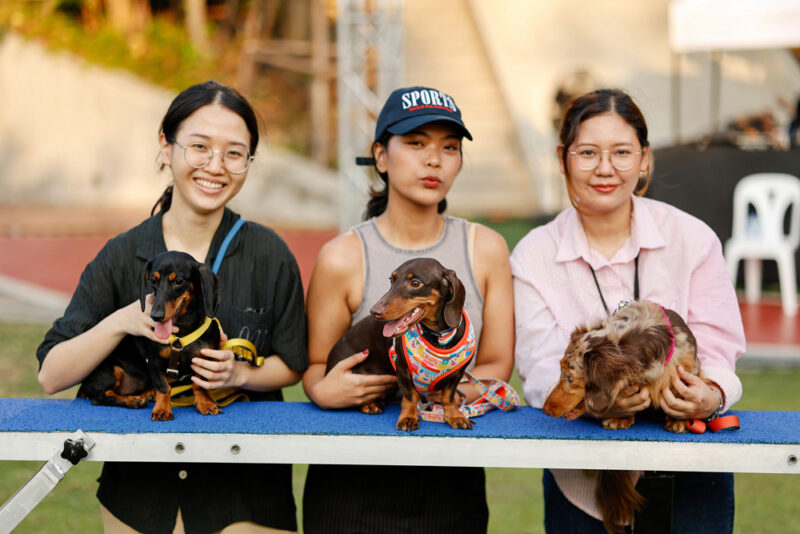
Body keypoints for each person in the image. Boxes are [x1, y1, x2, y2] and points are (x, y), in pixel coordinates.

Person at [36, 81, 307, 534]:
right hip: (140, 498)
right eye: (199, 146)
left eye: (234, 153)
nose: (215, 166)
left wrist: (239, 375)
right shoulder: (121, 255)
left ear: (249, 162)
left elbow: (294, 364)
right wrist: (122, 321)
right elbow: (51, 376)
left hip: (247, 493)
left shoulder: (270, 254)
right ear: (166, 146)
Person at [511, 88, 745, 533]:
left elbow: (719, 348)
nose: (605, 168)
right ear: (562, 159)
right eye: (587, 153)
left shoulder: (692, 238)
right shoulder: (534, 255)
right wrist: (598, 404)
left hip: (692, 478)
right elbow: (540, 372)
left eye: (621, 152)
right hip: (581, 484)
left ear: (644, 160)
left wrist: (710, 394)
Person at [301, 86, 514, 533]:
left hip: (451, 485)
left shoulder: (486, 248)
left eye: (449, 148)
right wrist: (322, 391)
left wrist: (438, 396)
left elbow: (496, 365)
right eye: (416, 143)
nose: (434, 160)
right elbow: (318, 367)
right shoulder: (342, 255)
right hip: (351, 485)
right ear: (381, 156)